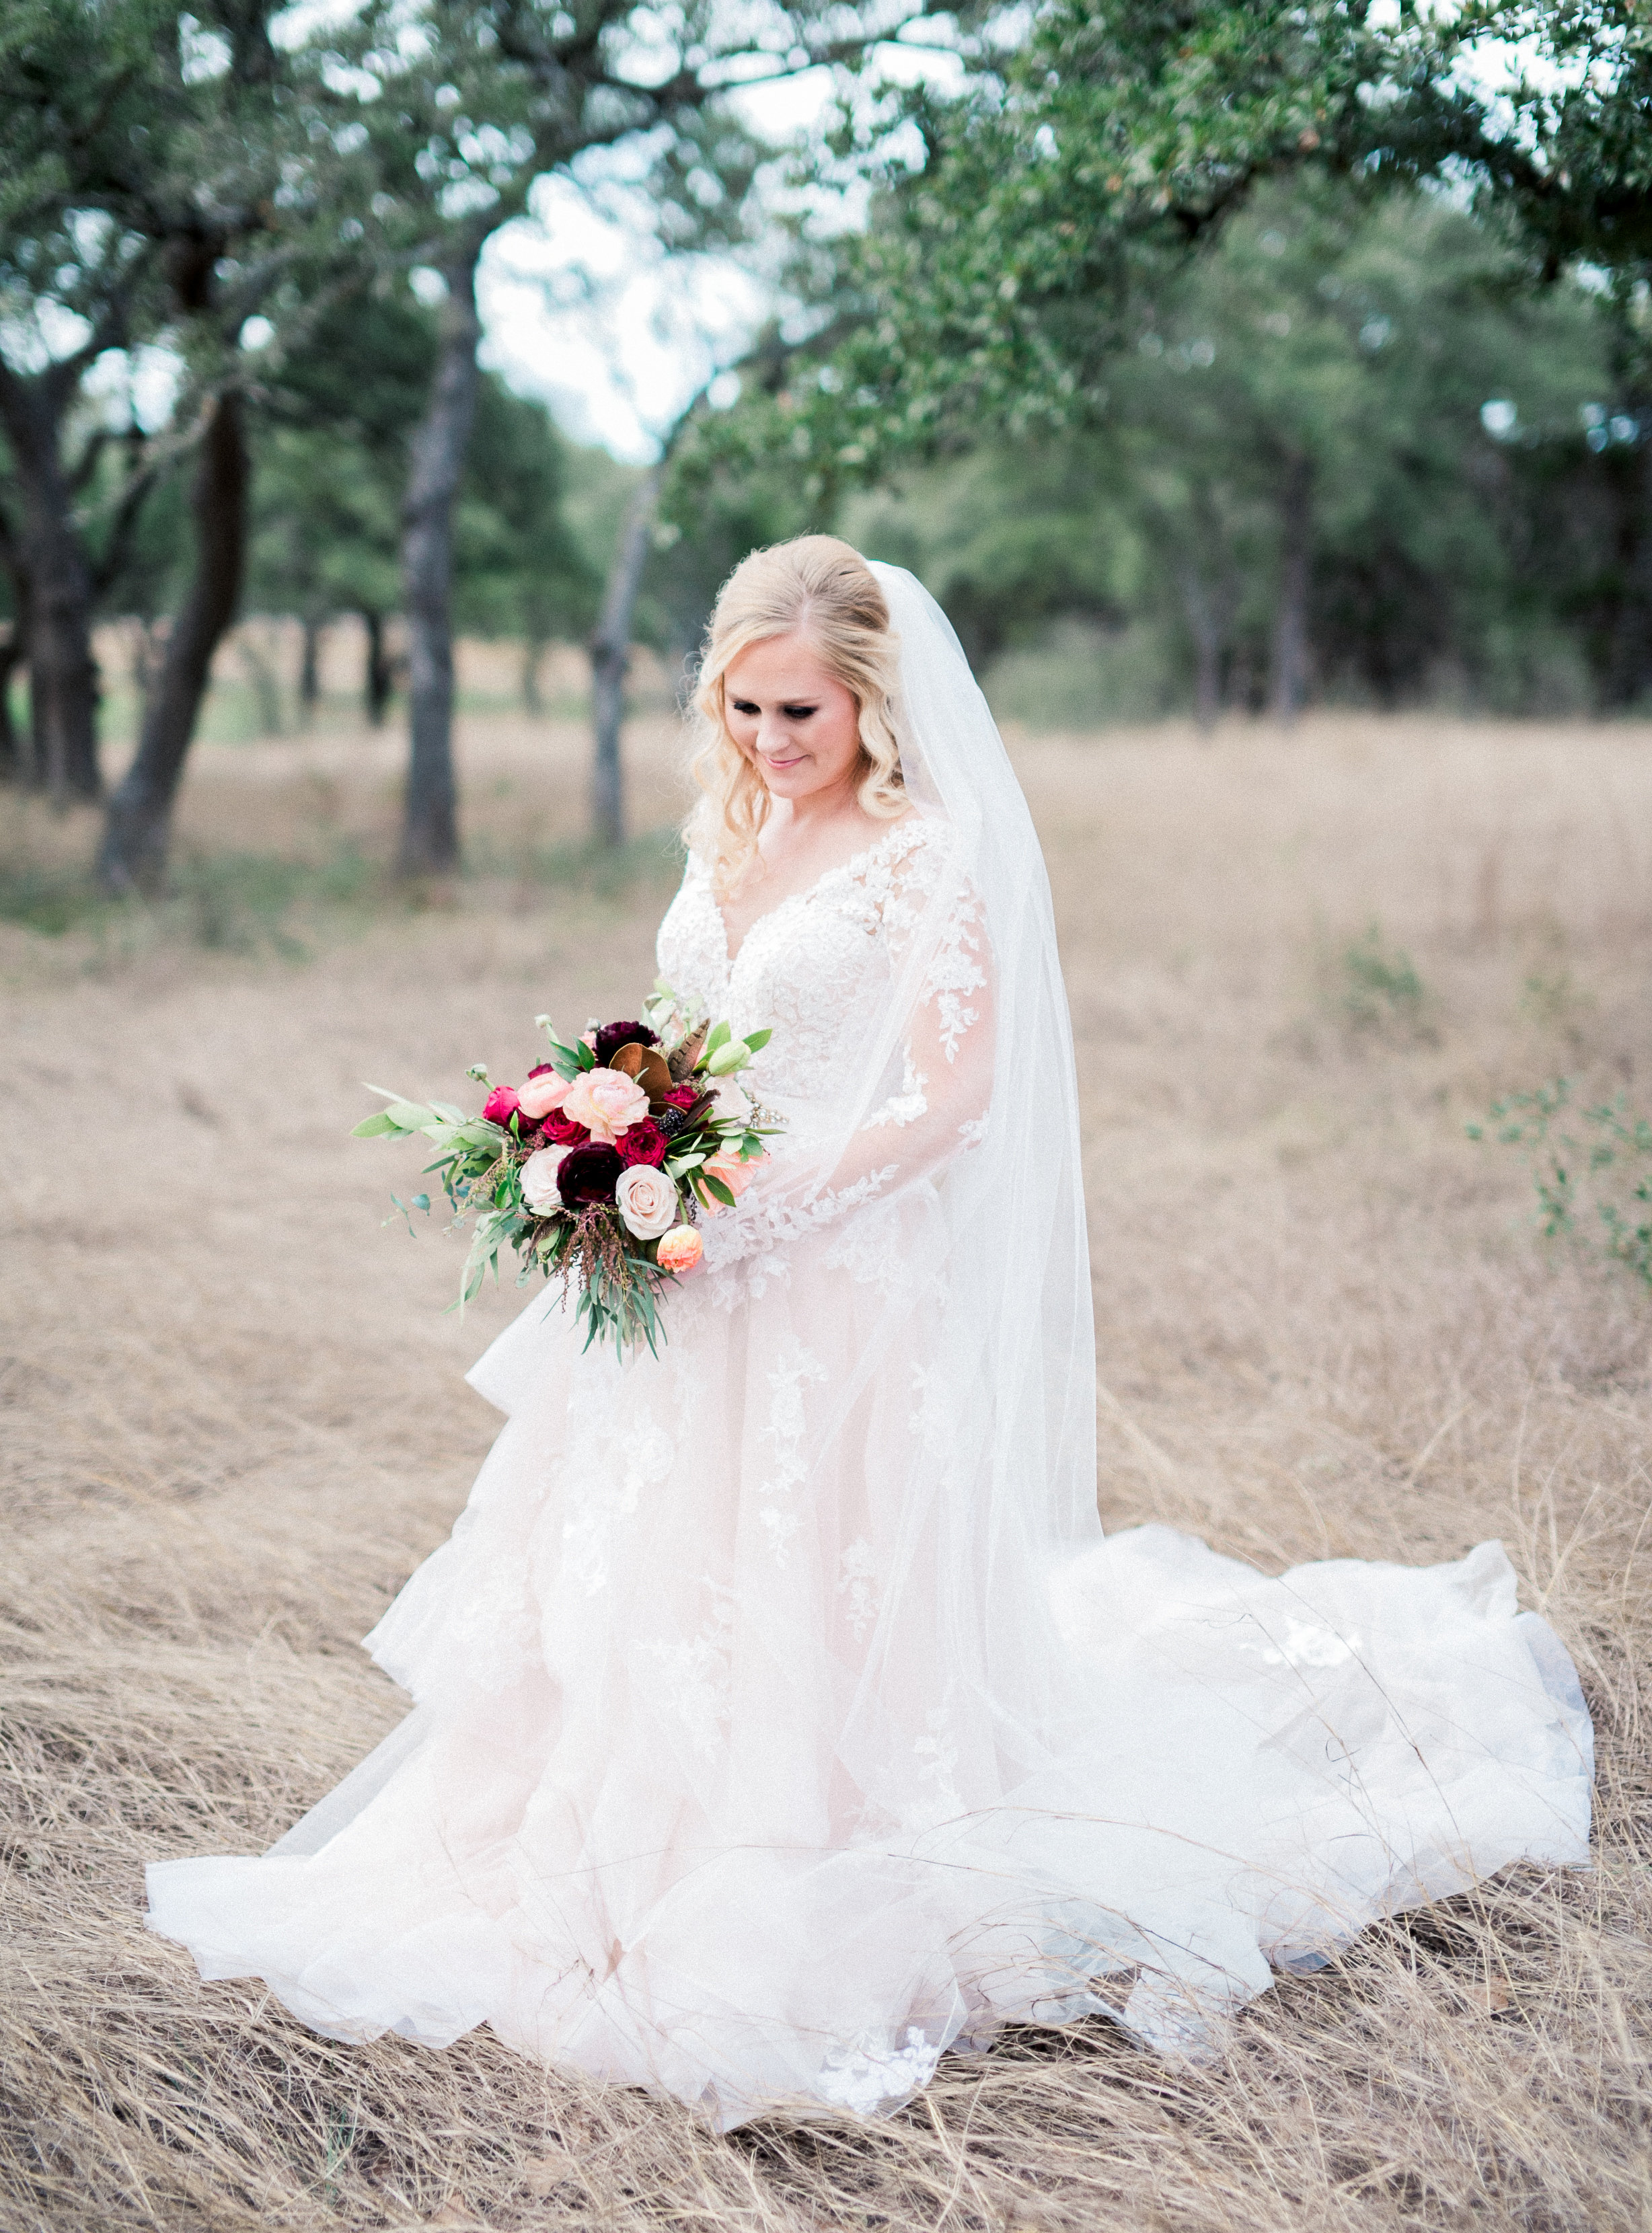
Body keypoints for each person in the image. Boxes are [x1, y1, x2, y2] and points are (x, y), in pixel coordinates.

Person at [147, 537, 1593, 2129]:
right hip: (688, 1264)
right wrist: (615, 1138)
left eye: (803, 716)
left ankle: (805, 1858)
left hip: (832, 1279)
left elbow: (951, 1100)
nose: (771, 742)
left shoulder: (925, 858)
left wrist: (764, 1202)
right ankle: (593, 1844)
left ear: (873, 710)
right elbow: (696, 1036)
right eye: (747, 708)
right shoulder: (732, 827)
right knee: (646, 1564)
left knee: (805, 1569)